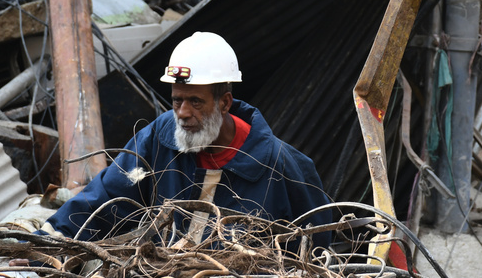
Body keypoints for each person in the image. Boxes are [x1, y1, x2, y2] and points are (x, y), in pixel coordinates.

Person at [42, 31, 331, 248]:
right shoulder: (159, 138)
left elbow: (315, 246)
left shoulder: (280, 165)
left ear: (225, 103)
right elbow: (106, 198)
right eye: (177, 101)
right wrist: (45, 242)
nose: (183, 113)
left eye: (195, 102)